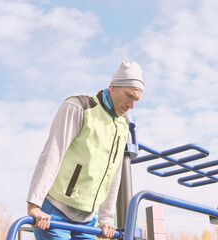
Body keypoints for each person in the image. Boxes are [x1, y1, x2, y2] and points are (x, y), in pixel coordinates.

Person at [27, 61, 145, 240]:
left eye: (136, 99)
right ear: (112, 87)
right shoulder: (80, 107)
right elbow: (52, 154)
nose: (131, 105)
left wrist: (106, 218)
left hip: (88, 220)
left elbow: (114, 173)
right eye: (129, 95)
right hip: (55, 211)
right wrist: (34, 205)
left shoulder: (123, 125)